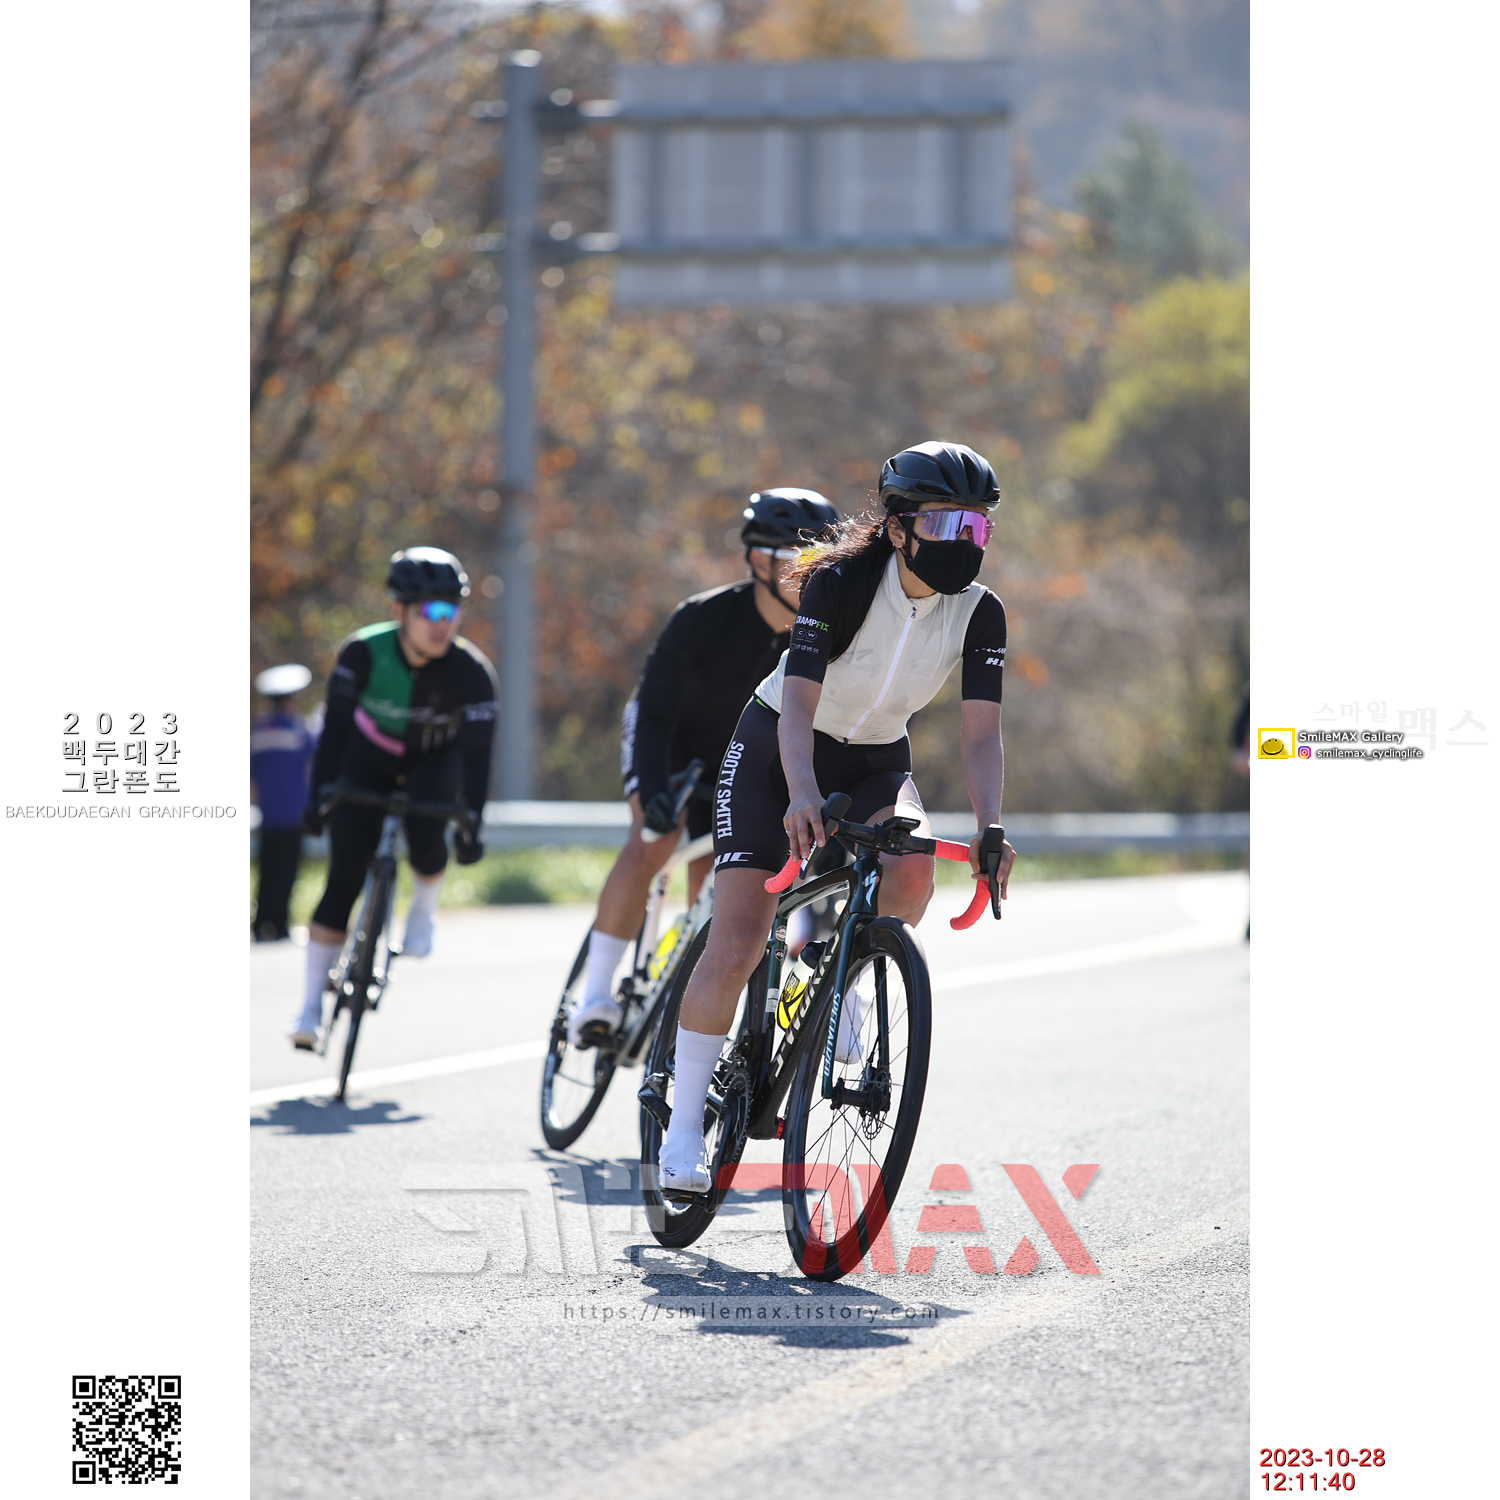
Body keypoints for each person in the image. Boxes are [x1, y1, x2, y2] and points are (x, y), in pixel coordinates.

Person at [656, 441, 1019, 1194]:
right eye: (946, 523)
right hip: (776, 749)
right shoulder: (841, 584)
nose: (964, 541)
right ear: (898, 529)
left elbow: (981, 735)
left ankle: (842, 970)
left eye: (978, 526)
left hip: (877, 757)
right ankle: (684, 1126)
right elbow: (796, 706)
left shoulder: (981, 613)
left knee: (911, 869)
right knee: (740, 937)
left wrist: (990, 825)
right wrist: (799, 793)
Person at [566, 488, 841, 1049]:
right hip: (678, 747)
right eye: (798, 559)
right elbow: (654, 713)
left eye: (823, 561)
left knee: (720, 883)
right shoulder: (703, 618)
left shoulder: (828, 632)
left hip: (750, 760)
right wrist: (652, 790)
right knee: (654, 838)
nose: (811, 574)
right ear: (758, 561)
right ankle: (594, 996)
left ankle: (684, 1003)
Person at [285, 548, 497, 1049]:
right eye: (430, 610)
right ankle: (309, 1007)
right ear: (399, 609)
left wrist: (473, 821)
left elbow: (478, 756)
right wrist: (318, 800)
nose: (442, 623)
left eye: (451, 610)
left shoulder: (472, 671)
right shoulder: (362, 652)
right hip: (368, 757)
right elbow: (334, 734)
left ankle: (422, 910)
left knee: (428, 836)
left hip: (433, 759)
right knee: (343, 879)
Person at [251, 664, 317, 941]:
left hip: (268, 812)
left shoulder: (257, 733)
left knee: (267, 870)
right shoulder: (298, 731)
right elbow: (312, 765)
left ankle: (261, 924)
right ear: (290, 700)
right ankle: (279, 925)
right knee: (287, 871)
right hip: (293, 813)